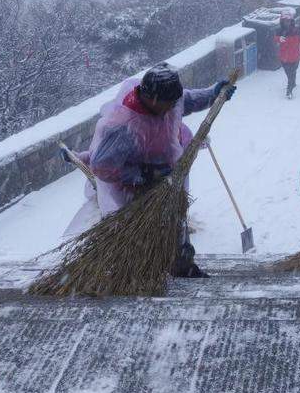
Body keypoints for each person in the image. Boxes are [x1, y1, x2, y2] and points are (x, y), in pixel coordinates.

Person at [84, 63, 236, 278]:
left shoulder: (169, 100)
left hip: (170, 177)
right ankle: (139, 277)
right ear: (153, 99)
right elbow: (102, 168)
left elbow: (186, 101)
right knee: (145, 235)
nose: (174, 106)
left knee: (176, 223)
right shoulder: (124, 126)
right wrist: (143, 174)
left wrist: (212, 94)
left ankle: (182, 267)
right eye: (169, 103)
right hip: (137, 190)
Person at [276, 12, 300, 99]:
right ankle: (292, 85)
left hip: (295, 57)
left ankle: (289, 90)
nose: (287, 23)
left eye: (288, 21)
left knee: (292, 73)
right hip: (284, 58)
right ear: (282, 21)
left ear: (292, 21)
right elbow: (274, 38)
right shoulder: (279, 30)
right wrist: (278, 38)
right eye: (285, 21)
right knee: (290, 74)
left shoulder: (297, 30)